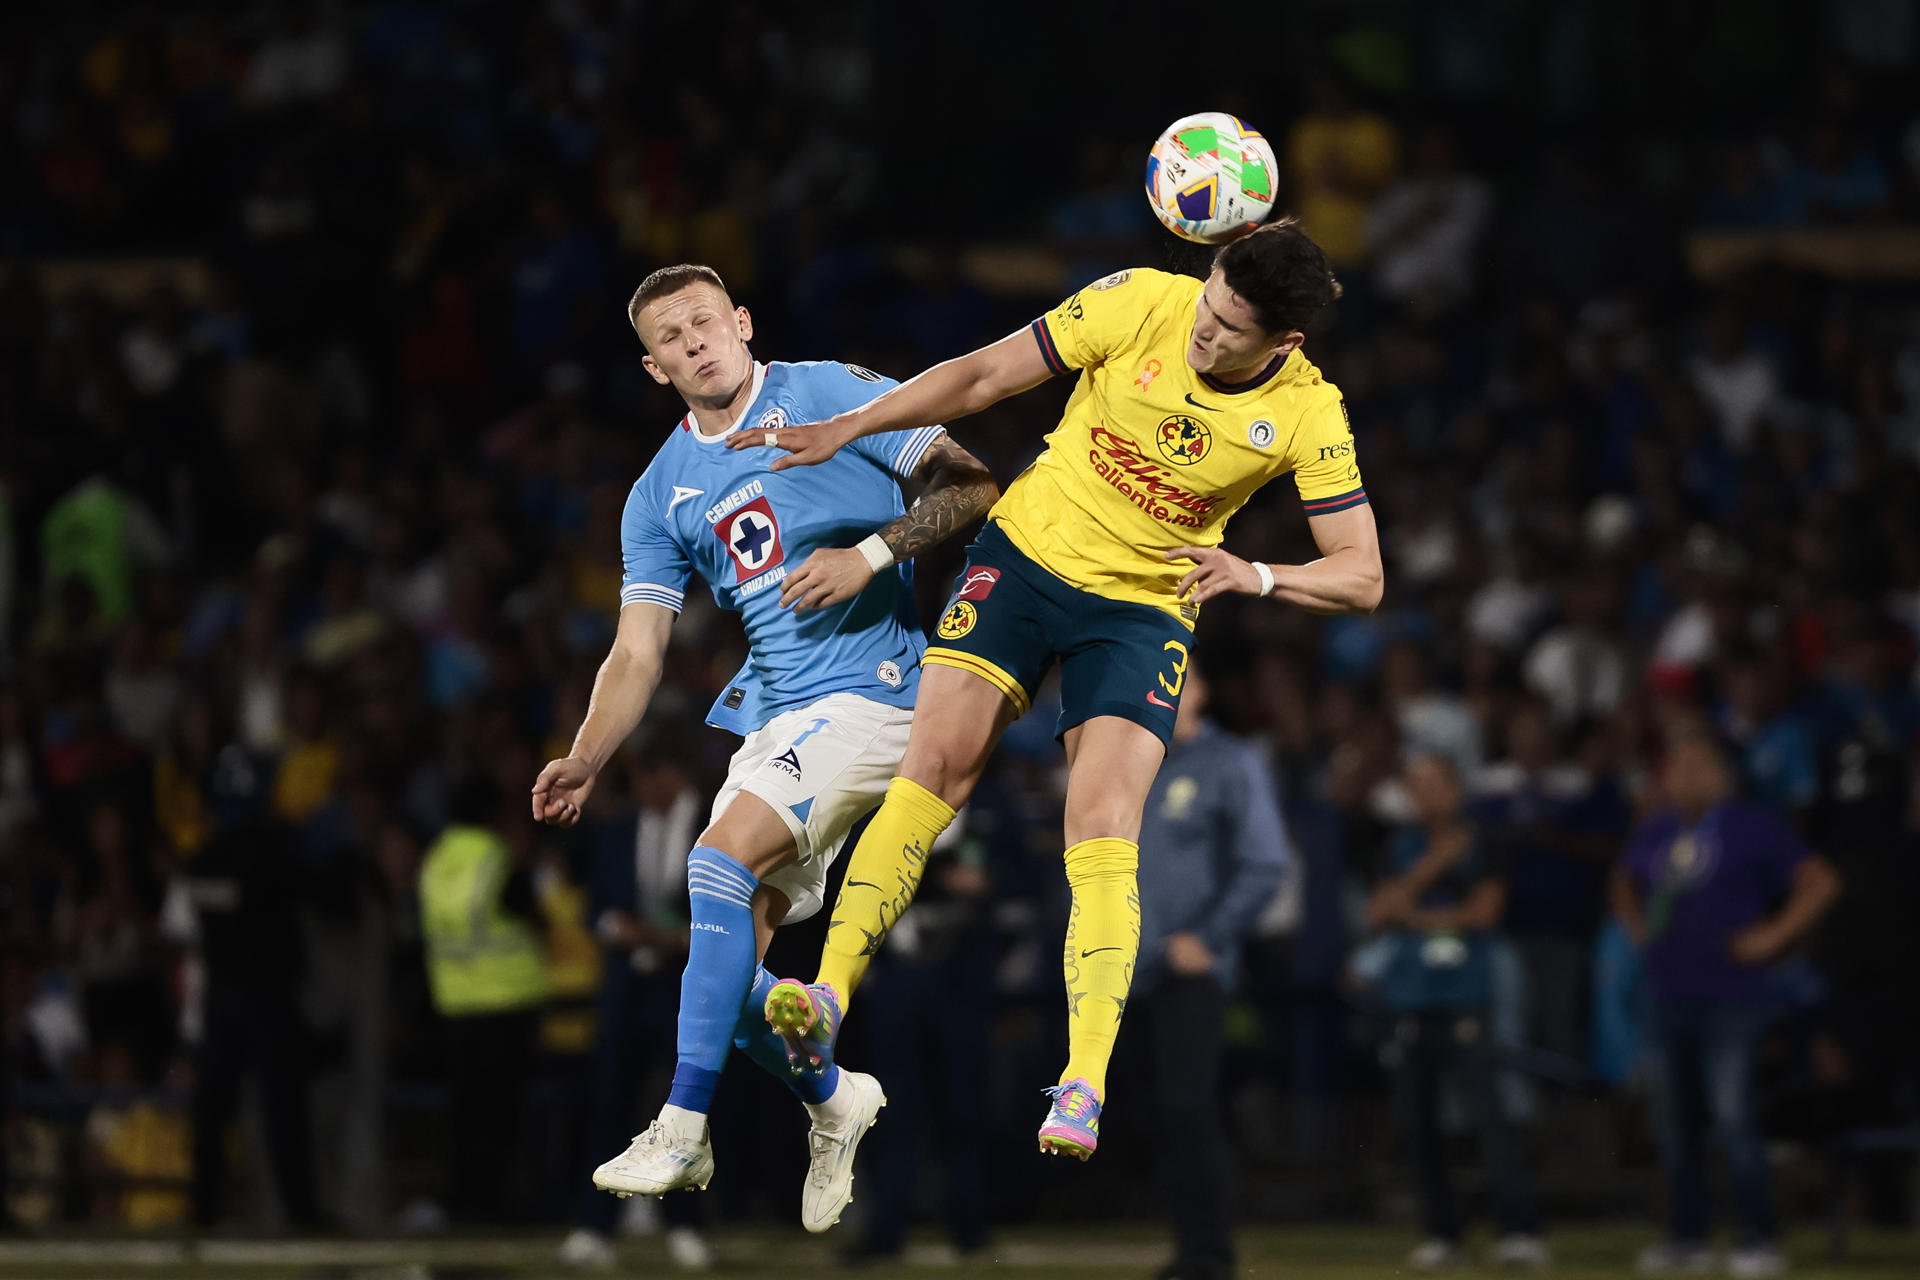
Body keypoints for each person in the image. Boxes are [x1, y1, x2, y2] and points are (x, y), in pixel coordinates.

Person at [736, 217, 1383, 1158]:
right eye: (1209, 305)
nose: (1205, 331)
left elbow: (1362, 575)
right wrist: (850, 426)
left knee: (1103, 823)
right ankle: (829, 994)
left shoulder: (1308, 412)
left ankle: (1083, 1081)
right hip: (1023, 563)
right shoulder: (1138, 300)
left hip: (1140, 613)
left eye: (1231, 330)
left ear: (1283, 341)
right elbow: (984, 375)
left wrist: (1257, 574)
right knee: (933, 770)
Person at [529, 263, 997, 1230]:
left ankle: (682, 1126)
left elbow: (973, 482)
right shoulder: (658, 494)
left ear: (742, 322)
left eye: (706, 320)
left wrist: (869, 555)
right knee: (730, 969)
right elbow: (637, 649)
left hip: (877, 695)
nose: (694, 341)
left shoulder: (826, 391)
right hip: (775, 722)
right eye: (671, 337)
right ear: (654, 367)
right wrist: (587, 755)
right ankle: (834, 1098)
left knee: (712, 864)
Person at [1612, 733, 1842, 1278]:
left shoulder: (1752, 825)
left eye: (1699, 765)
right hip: (1667, 993)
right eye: (1677, 766)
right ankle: (1687, 1239)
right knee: (1675, 1125)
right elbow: (1622, 881)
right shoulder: (1658, 829)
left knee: (1736, 1118)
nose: (1686, 776)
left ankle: (1759, 1239)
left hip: (1733, 998)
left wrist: (1772, 937)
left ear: (1723, 776)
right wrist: (1637, 929)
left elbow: (1821, 882)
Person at [1130, 659, 1290, 1280]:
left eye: (1178, 677)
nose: (1163, 689)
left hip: (1189, 971)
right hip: (1121, 971)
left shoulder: (1230, 763)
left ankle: (1208, 1253)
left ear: (1201, 690)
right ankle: (1187, 1246)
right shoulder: (1125, 758)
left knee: (1188, 1106)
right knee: (1155, 1113)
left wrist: (1209, 937)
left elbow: (1264, 863)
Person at [1364, 753, 1546, 1271]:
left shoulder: (1485, 841)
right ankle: (1443, 1234)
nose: (1424, 795)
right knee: (1418, 1125)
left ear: (1455, 790)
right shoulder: (1399, 846)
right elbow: (1377, 913)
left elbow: (1484, 914)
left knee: (1490, 1120)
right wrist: (1435, 866)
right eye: (1415, 786)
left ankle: (1518, 1231)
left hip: (1467, 996)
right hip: (1409, 999)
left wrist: (1413, 915)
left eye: (1434, 784)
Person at [419, 770, 548, 1226]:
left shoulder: (436, 858)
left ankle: (461, 1201)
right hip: (507, 1001)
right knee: (501, 1114)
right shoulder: (496, 856)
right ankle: (497, 1205)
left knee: (464, 1112)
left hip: (454, 1003)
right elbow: (529, 914)